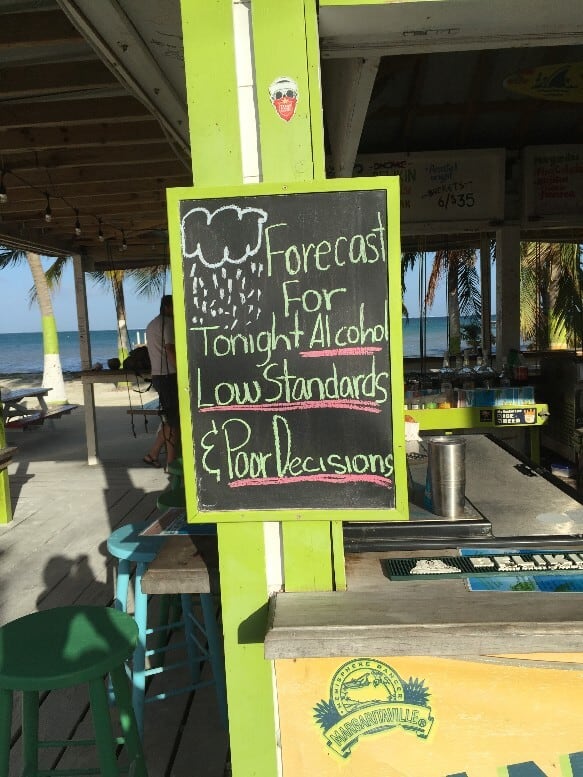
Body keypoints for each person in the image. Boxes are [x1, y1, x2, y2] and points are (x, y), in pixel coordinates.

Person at [143, 295, 180, 468]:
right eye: (175, 306)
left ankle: (153, 454)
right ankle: (171, 463)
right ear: (167, 306)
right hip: (168, 376)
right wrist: (181, 371)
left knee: (170, 419)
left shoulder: (151, 324)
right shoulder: (168, 324)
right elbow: (170, 349)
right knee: (174, 422)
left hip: (158, 376)